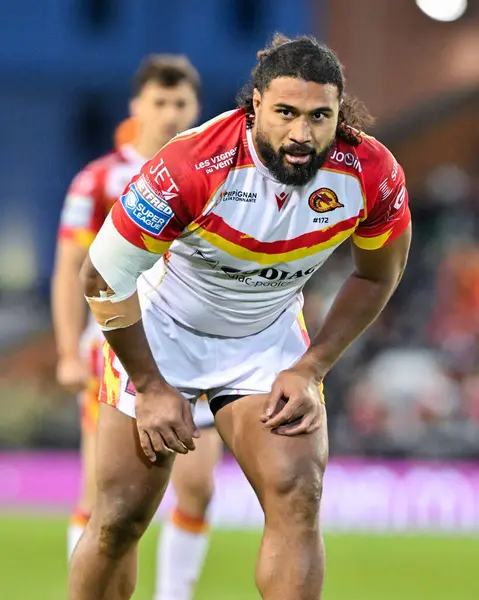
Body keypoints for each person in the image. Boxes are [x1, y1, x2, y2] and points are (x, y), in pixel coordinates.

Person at [70, 33, 411, 600]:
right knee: (121, 517)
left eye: (319, 116)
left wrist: (310, 368)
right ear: (255, 104)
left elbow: (378, 275)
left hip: (266, 336)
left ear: (339, 112)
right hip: (159, 333)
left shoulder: (371, 173)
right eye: (285, 113)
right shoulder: (190, 164)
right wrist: (151, 385)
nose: (302, 134)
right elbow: (100, 277)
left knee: (297, 494)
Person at [52, 54, 222, 600]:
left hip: (200, 349)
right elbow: (68, 272)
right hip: (117, 350)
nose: (172, 113)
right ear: (137, 107)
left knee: (197, 486)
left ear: (197, 108)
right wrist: (67, 351)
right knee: (109, 501)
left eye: (182, 103)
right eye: (161, 102)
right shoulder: (99, 179)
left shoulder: (214, 176)